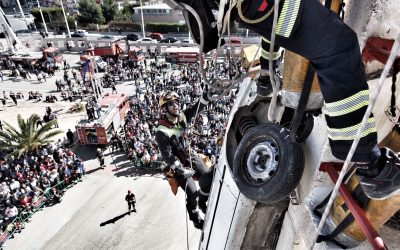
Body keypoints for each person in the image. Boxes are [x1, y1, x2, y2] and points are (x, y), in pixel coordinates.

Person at [169, 0, 400, 200]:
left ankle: (364, 158)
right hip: (266, 5)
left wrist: (267, 67)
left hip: (261, 7)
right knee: (337, 48)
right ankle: (368, 164)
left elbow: (271, 28)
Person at [155, 91, 214, 229]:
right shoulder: (162, 131)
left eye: (176, 103)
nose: (176, 106)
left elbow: (195, 109)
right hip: (176, 164)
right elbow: (168, 155)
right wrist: (181, 169)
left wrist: (206, 97)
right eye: (171, 104)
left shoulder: (181, 117)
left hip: (189, 155)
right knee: (192, 193)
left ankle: (203, 201)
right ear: (165, 109)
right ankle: (195, 218)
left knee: (207, 179)